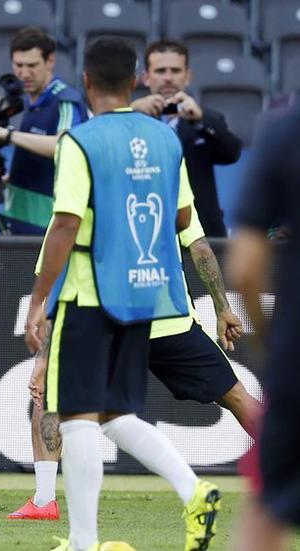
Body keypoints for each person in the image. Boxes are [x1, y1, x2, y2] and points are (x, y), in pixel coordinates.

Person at [0, 127, 260, 525]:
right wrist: (223, 309)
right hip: (168, 317)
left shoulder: (75, 212)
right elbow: (199, 245)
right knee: (236, 397)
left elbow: (62, 285)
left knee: (60, 403)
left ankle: (48, 501)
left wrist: (43, 354)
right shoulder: (161, 181)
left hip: (109, 321)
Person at [24, 37, 220, 551]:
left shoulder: (81, 141)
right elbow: (181, 218)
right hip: (142, 294)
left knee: (78, 415)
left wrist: (38, 299)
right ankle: (194, 490)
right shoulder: (164, 140)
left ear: (86, 82)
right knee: (115, 414)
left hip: (90, 293)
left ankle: (83, 542)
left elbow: (65, 223)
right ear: (135, 82)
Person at [228, 100, 300, 551]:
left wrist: (267, 344)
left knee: (266, 509)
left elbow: (245, 267)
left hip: (297, 361)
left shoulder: (283, 131)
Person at [0, 27, 88, 235]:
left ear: (50, 61)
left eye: (32, 65)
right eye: (19, 65)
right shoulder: (28, 102)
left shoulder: (66, 101)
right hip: (18, 216)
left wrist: (7, 135)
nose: (24, 74)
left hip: (48, 225)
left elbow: (64, 146)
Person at [130, 40, 241, 238]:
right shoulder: (132, 121)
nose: (168, 78)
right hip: (146, 229)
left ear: (188, 76)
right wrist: (129, 115)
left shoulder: (207, 120)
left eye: (175, 70)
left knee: (210, 272)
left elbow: (232, 153)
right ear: (145, 77)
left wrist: (200, 120)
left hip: (202, 236)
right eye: (160, 71)